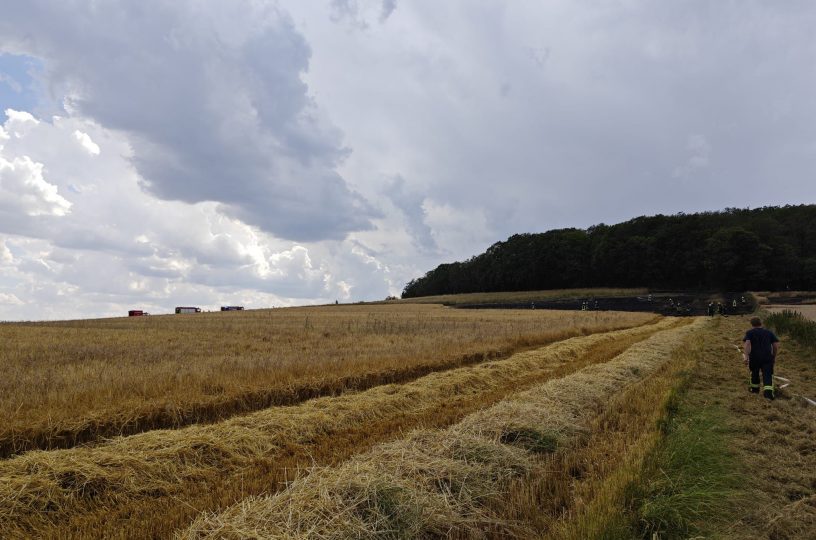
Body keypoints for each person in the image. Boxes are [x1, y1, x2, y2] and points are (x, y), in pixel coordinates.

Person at [743, 316, 780, 400]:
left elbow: (747, 344)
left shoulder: (749, 333)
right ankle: (768, 395)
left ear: (751, 324)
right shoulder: (769, 332)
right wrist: (773, 357)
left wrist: (746, 357)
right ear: (761, 323)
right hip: (767, 358)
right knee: (767, 375)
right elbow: (775, 346)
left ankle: (754, 391)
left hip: (755, 358)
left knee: (754, 374)